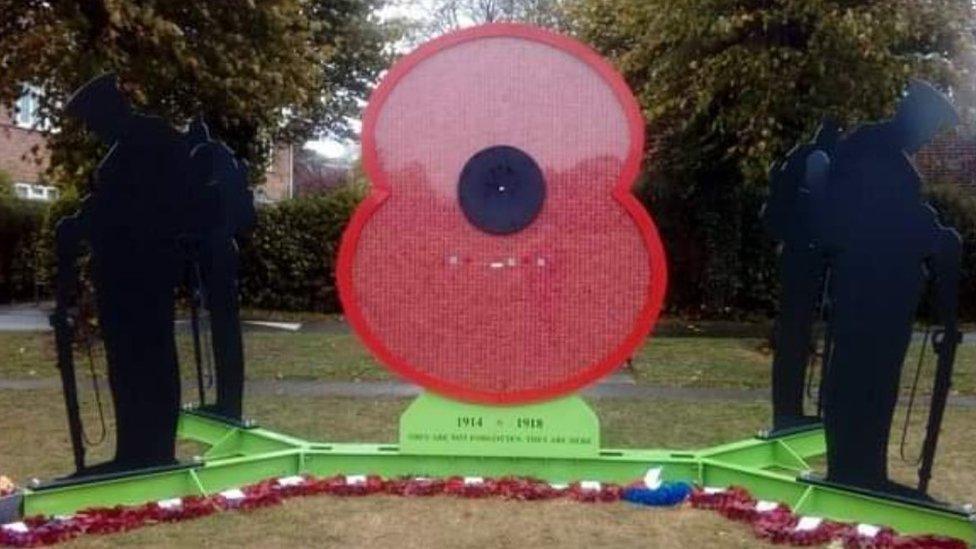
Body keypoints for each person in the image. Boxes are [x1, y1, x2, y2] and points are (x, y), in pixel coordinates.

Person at [816, 80, 960, 498]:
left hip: (880, 293)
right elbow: (890, 219)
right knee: (863, 380)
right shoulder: (875, 153)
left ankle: (864, 468)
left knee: (875, 383)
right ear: (913, 118)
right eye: (930, 130)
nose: (928, 140)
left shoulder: (883, 153)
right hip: (869, 293)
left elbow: (905, 215)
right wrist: (935, 237)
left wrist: (935, 234)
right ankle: (853, 470)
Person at [58, 74, 193, 474]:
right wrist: (83, 220)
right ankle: (134, 449)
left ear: (110, 108)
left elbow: (139, 206)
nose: (92, 130)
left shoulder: (149, 138)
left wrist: (87, 222)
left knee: (147, 357)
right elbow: (111, 204)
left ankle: (152, 450)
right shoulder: (124, 145)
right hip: (121, 275)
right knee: (126, 361)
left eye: (93, 119)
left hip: (143, 273)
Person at [763, 120, 839, 432]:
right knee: (795, 337)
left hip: (796, 255)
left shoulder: (798, 157)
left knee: (793, 338)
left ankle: (788, 409)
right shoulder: (816, 161)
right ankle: (788, 411)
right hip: (803, 257)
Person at [183, 117, 256, 420]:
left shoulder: (205, 159)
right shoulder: (223, 160)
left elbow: (194, 209)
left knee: (224, 329)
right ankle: (226, 401)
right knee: (223, 328)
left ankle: (227, 403)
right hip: (220, 249)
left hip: (215, 251)